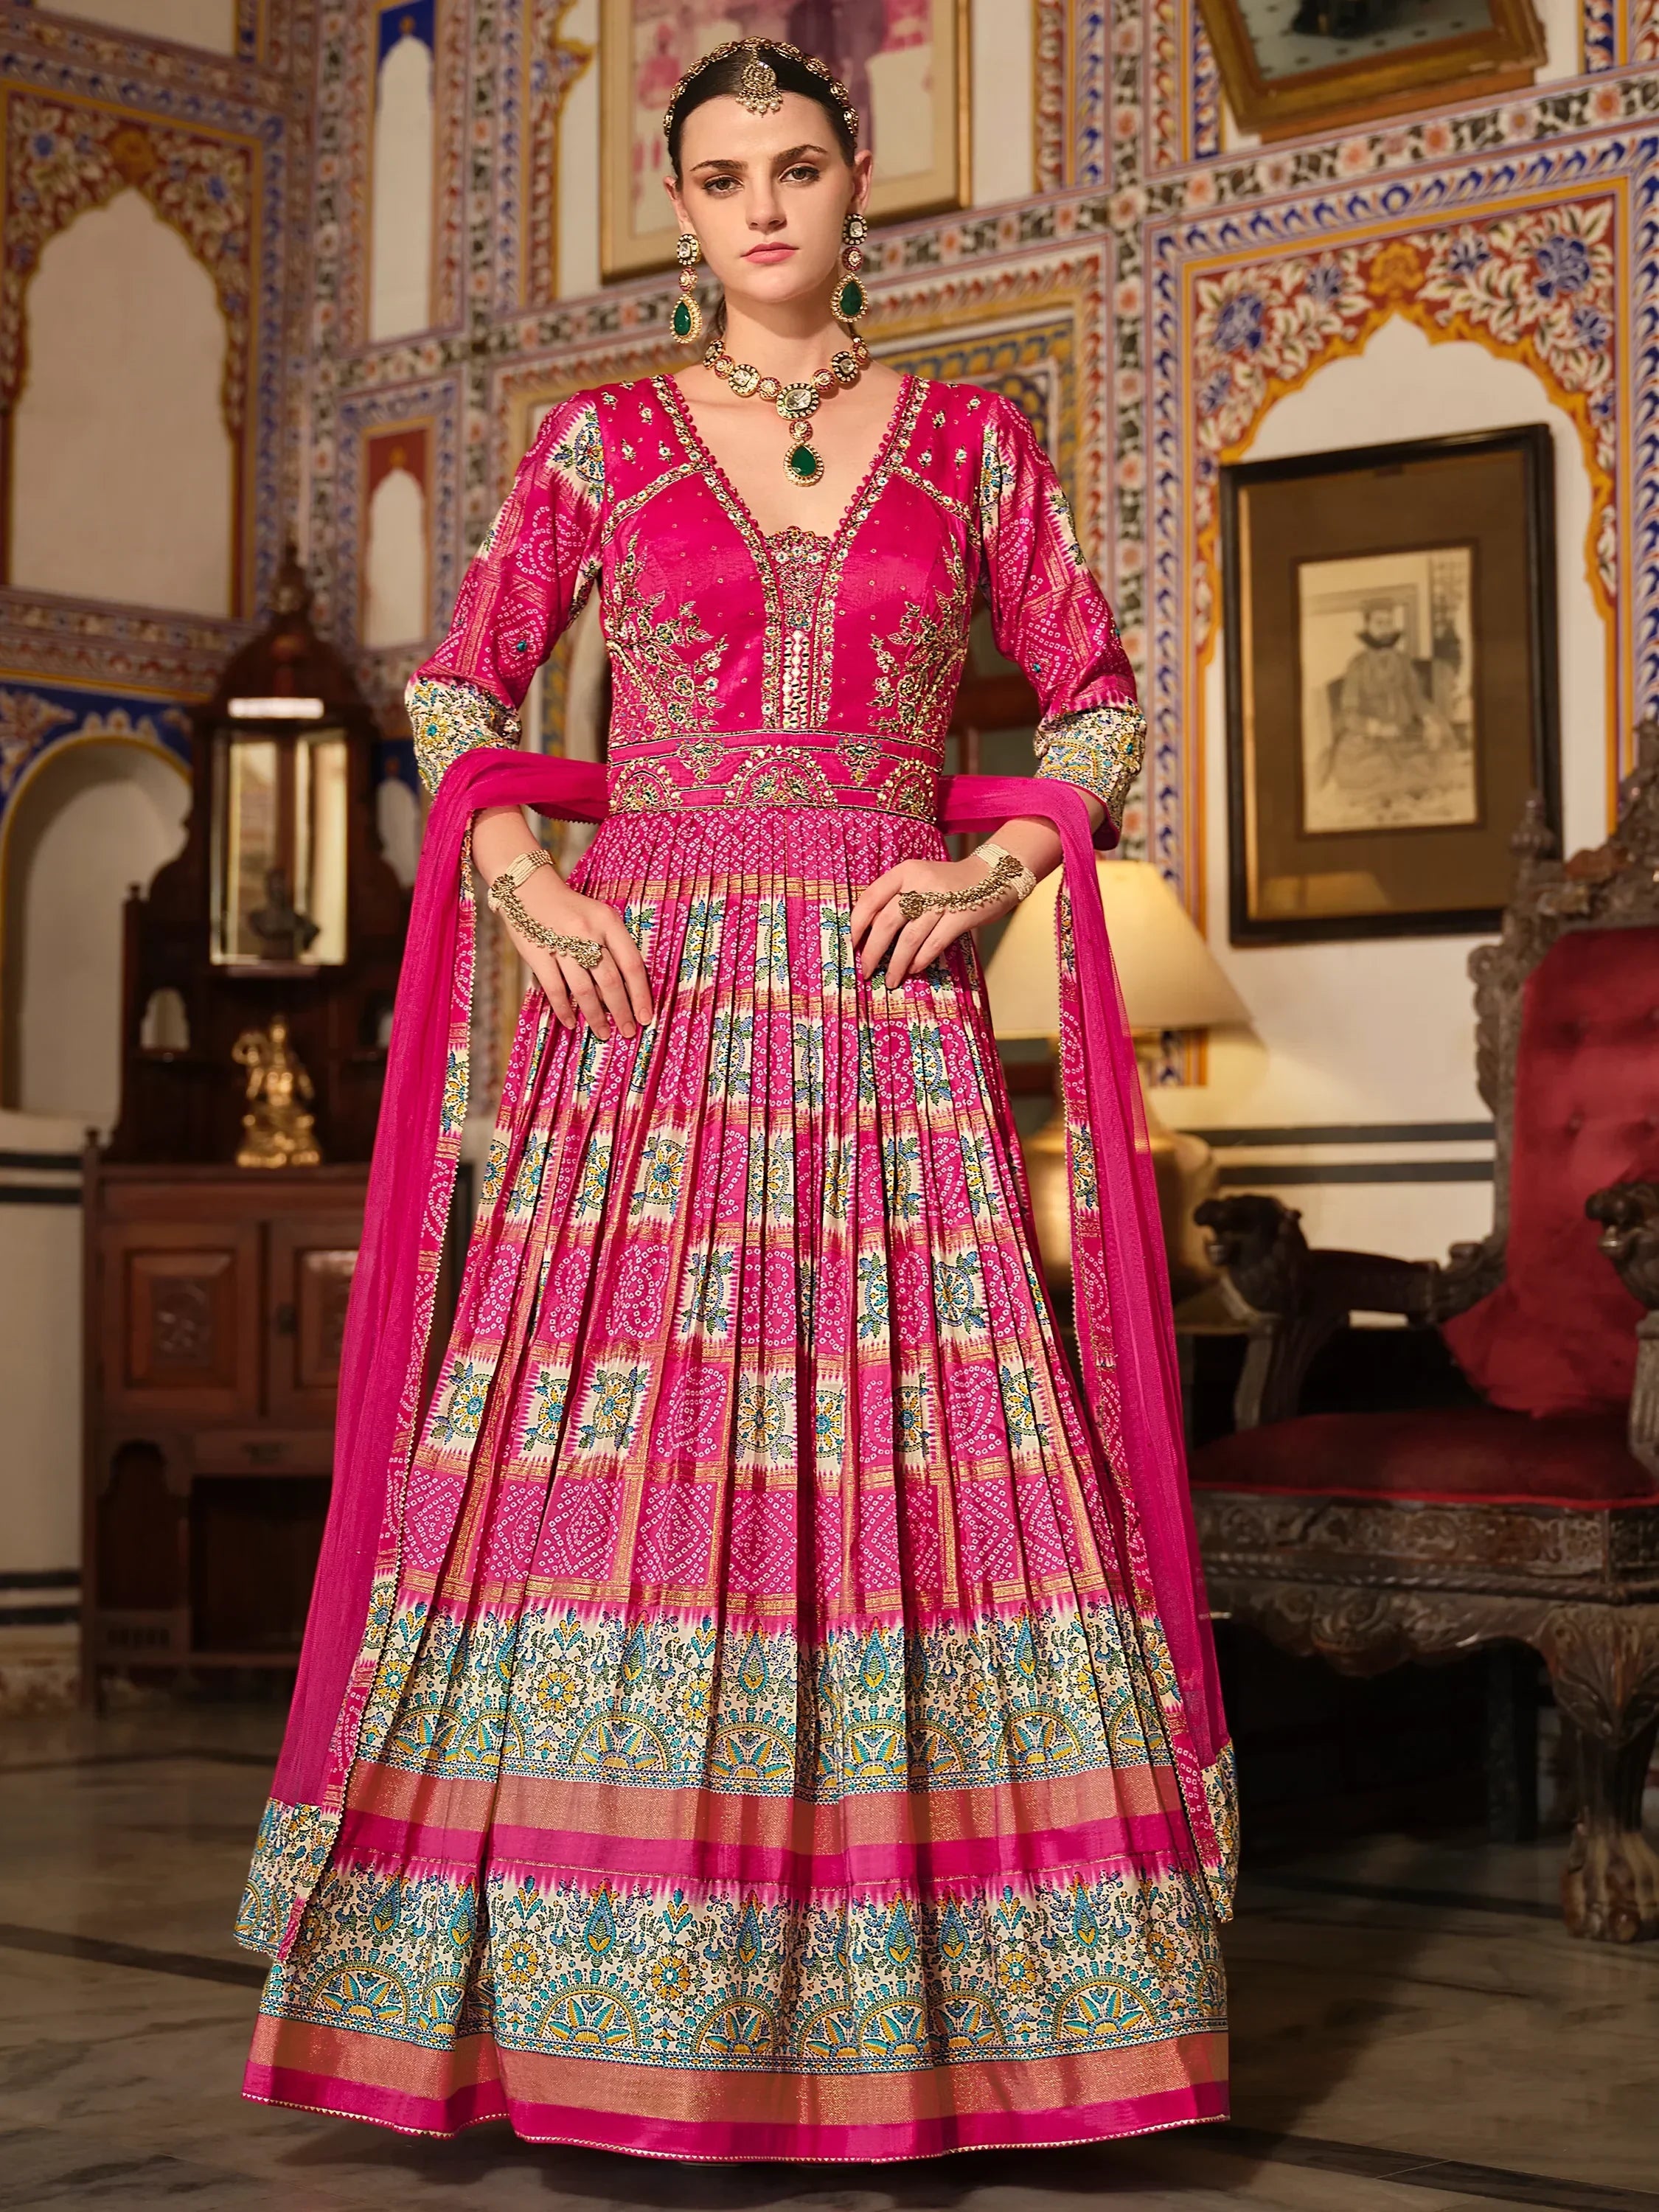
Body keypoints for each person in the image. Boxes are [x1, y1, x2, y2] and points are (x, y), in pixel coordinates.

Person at [234, 37, 1235, 2162]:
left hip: (882, 1011)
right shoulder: (598, 442)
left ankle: (950, 2019)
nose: (762, 206)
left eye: (795, 165)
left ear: (856, 177)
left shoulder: (975, 443)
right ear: (681, 209)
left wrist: (988, 871)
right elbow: (458, 684)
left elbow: (1098, 706)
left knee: (909, 1473)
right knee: (624, 1471)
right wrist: (518, 880)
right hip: (652, 1005)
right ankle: (593, 2006)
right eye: (719, 177)